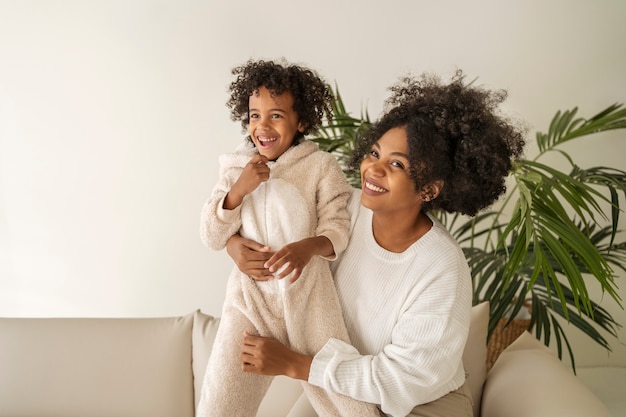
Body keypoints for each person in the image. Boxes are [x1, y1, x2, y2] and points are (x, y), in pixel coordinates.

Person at [228, 70, 526, 417]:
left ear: (429, 189)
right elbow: (271, 227)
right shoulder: (342, 211)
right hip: (340, 387)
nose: (373, 169)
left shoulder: (443, 267)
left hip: (419, 405)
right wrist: (234, 245)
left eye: (396, 164)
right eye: (374, 153)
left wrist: (297, 365)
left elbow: (402, 379)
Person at [196, 59, 380, 417]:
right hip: (250, 303)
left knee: (345, 401)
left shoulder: (320, 167)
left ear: (302, 122)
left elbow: (338, 228)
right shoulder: (235, 167)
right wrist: (237, 194)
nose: (262, 126)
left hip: (309, 301)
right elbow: (210, 234)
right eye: (254, 116)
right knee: (218, 406)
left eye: (276, 115)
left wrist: (305, 248)